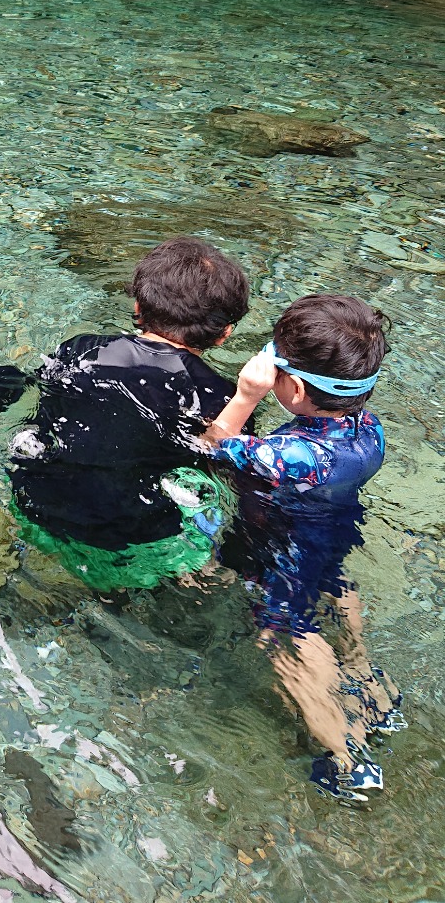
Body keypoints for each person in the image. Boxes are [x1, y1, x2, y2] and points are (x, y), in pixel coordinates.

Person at [201, 293, 403, 799]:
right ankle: (366, 678)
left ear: (291, 386)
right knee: (334, 582)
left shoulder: (287, 453)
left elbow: (211, 445)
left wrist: (246, 395)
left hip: (283, 546)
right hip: (330, 532)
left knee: (286, 637)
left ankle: (345, 759)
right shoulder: (369, 430)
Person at [0, 236, 249, 592]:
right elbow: (224, 462)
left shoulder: (82, 349)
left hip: (34, 504)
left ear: (137, 307)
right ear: (224, 335)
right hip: (139, 541)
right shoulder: (219, 396)